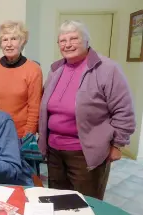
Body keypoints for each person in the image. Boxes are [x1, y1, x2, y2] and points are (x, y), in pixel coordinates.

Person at [38, 20, 136, 200]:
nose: (68, 44)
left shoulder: (107, 69)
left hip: (85, 152)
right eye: (62, 40)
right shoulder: (56, 68)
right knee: (58, 200)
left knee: (86, 202)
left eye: (74, 38)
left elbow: (124, 110)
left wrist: (117, 144)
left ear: (86, 40)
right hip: (54, 149)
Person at [0, 21, 43, 140]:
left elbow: (34, 108)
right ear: (0, 44)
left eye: (14, 39)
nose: (9, 44)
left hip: (20, 135)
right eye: (5, 40)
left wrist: (28, 136)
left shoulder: (33, 69)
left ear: (22, 42)